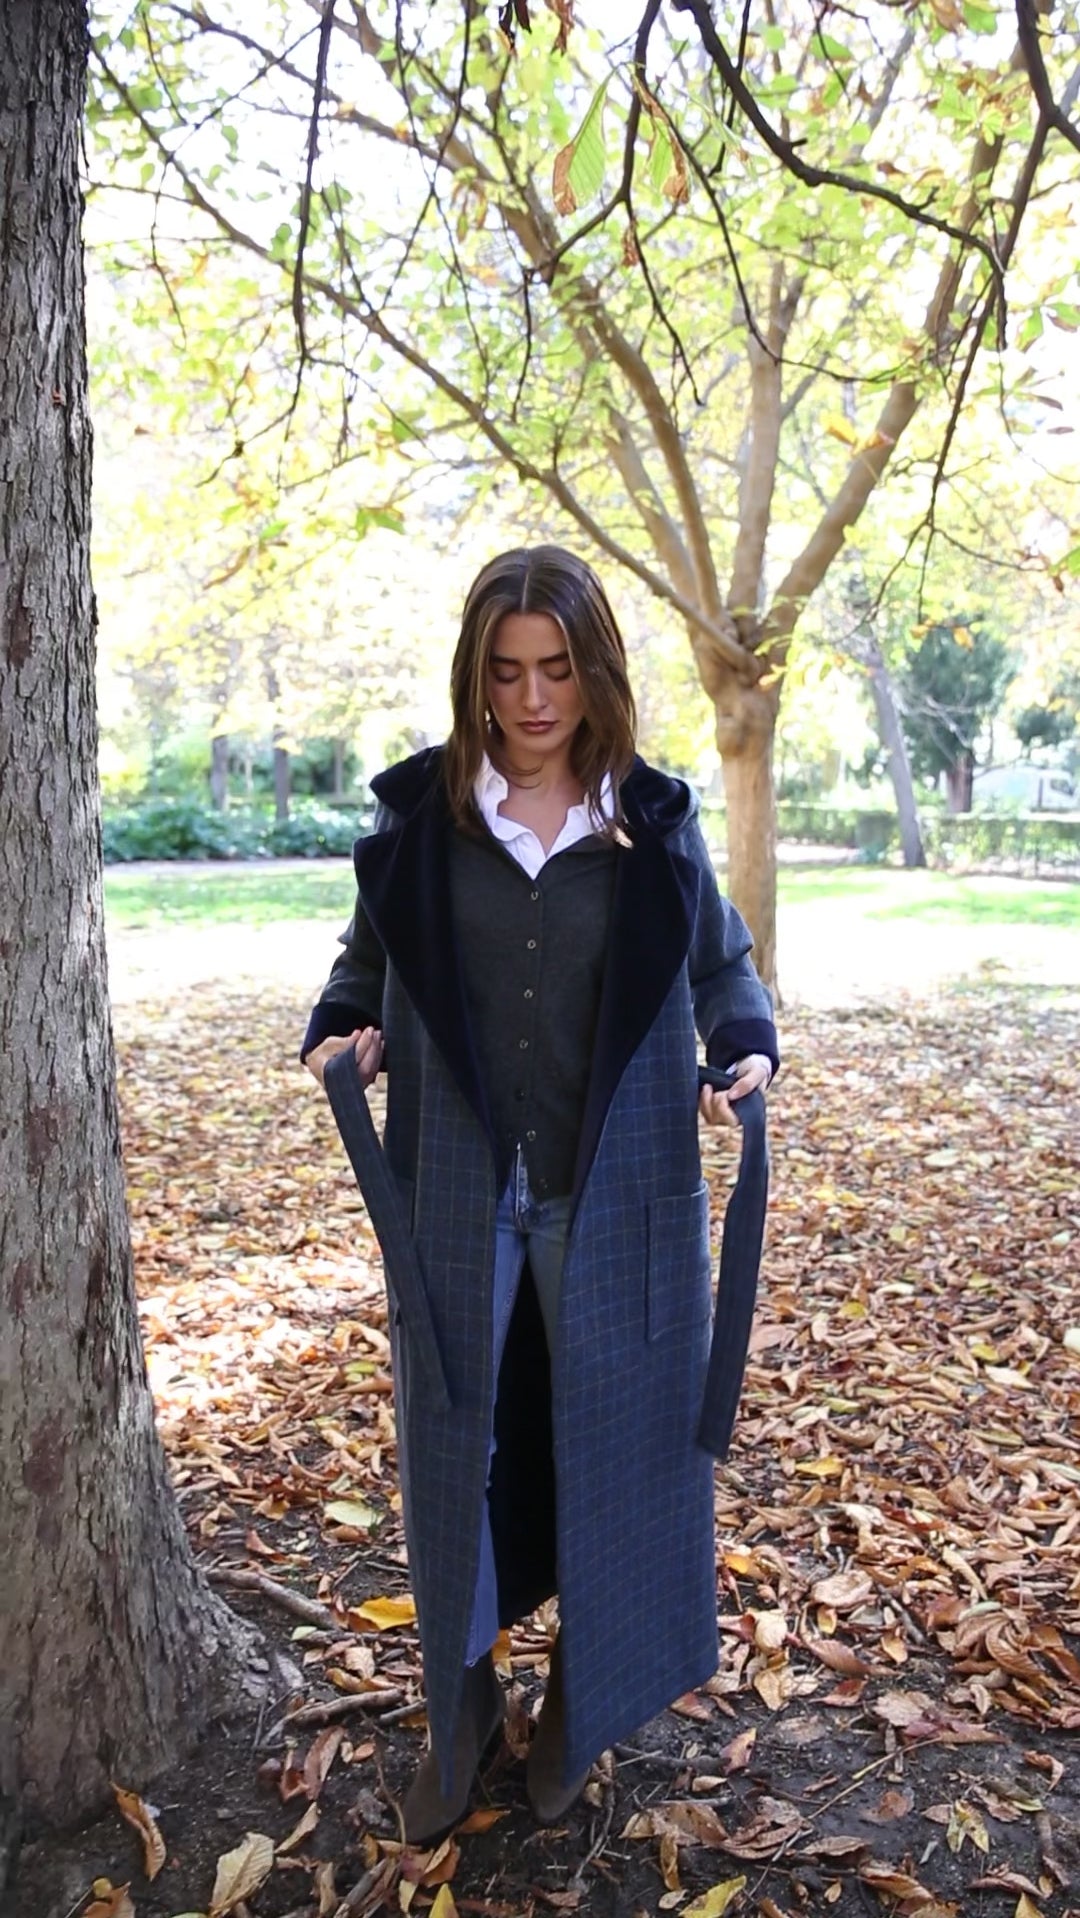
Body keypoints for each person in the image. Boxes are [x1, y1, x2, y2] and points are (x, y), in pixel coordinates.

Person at [301, 545, 777, 1844]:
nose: (531, 698)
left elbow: (725, 968)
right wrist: (347, 1031)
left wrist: (744, 1048)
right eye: (506, 671)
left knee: (624, 1453)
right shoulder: (423, 821)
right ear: (476, 674)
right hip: (457, 1195)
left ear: (593, 669)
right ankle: (460, 1706)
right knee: (452, 1454)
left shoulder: (652, 824)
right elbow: (361, 966)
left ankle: (582, 1701)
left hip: (616, 1202)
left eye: (556, 668)